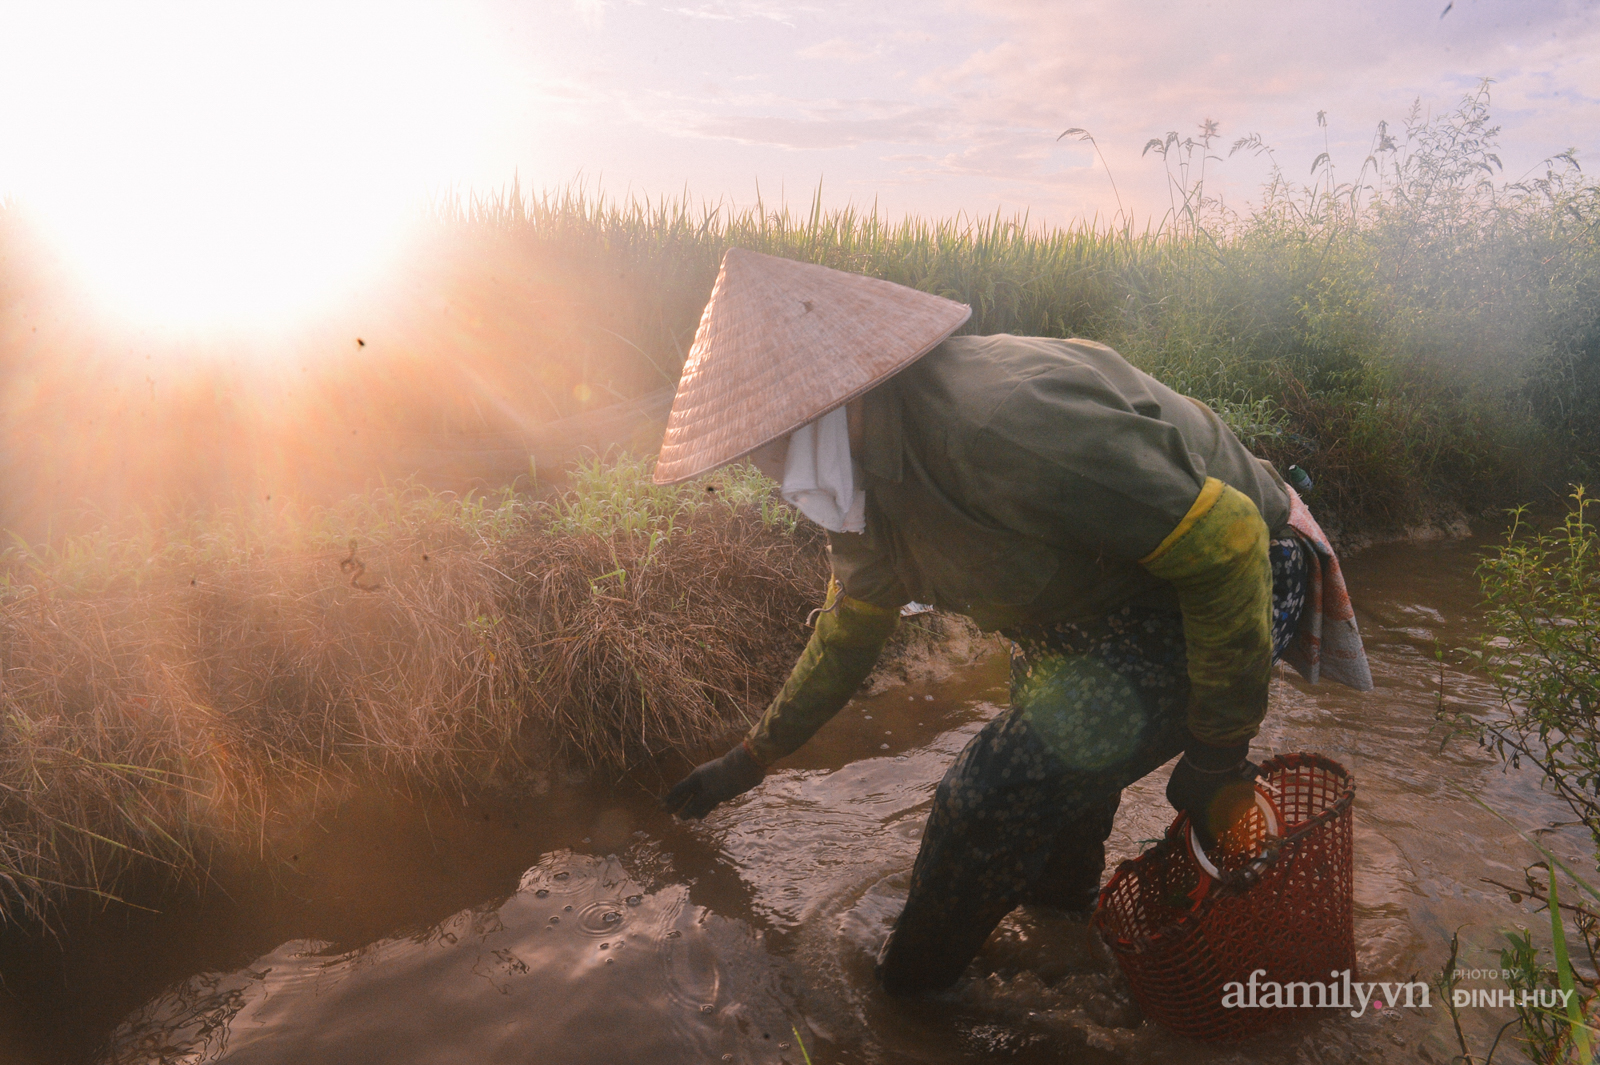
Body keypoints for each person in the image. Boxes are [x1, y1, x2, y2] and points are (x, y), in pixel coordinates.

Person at [655, 248, 1371, 995]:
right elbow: (850, 628)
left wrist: (1220, 752)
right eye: (754, 449)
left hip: (1231, 582)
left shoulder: (1000, 429)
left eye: (769, 438)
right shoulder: (852, 485)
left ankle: (909, 1004)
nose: (766, 465)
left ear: (832, 397)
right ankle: (1069, 951)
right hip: (1098, 609)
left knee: (990, 792)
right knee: (1052, 800)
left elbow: (1229, 544)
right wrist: (750, 757)